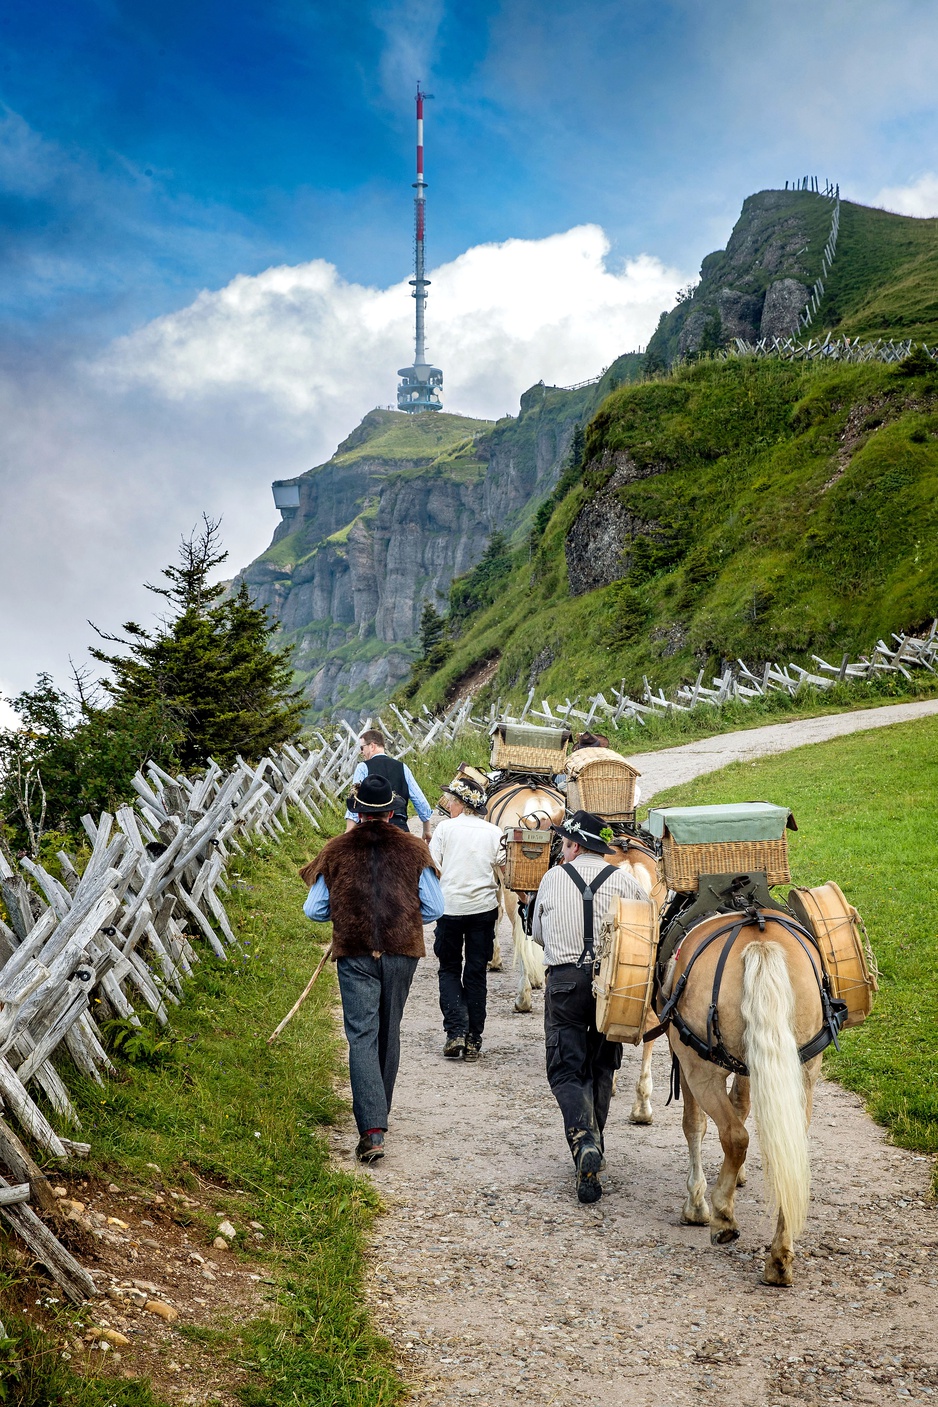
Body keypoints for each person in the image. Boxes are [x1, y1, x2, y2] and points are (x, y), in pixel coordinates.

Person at [302, 774, 445, 1164]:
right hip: (401, 953)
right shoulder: (415, 849)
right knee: (389, 1028)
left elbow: (313, 910)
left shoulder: (335, 850)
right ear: (391, 811)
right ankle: (379, 1112)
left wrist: (347, 911)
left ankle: (372, 1129)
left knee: (361, 1036)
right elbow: (434, 909)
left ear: (358, 810)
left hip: (356, 953)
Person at [531, 810, 645, 1204]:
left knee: (565, 1065)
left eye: (564, 843)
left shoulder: (551, 878)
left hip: (565, 980)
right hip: (612, 985)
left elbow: (539, 934)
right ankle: (597, 1142)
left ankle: (583, 1143)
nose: (562, 850)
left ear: (575, 845)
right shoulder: (628, 883)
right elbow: (646, 934)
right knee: (602, 1063)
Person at [429, 774, 502, 1062]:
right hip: (483, 911)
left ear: (460, 803)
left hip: (449, 909)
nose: (448, 804)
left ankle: (455, 1032)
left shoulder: (445, 829)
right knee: (476, 972)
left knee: (448, 968)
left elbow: (433, 867)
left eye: (451, 800)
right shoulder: (493, 832)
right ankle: (473, 1038)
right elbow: (505, 868)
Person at [345, 729, 433, 837]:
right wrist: (426, 830)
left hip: (369, 829)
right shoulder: (402, 767)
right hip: (399, 827)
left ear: (372, 746)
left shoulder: (363, 767)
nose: (361, 752)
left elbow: (355, 800)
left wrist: (348, 835)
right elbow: (420, 801)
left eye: (362, 747)